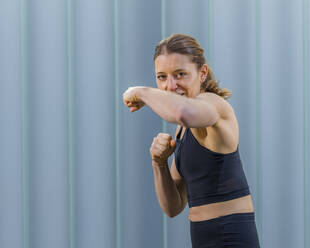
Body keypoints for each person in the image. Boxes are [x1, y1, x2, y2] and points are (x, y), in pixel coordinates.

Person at [123, 33, 260, 247]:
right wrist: (158, 163)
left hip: (230, 235)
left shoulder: (213, 106)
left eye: (180, 74)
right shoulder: (184, 129)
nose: (170, 85)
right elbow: (173, 206)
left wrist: (140, 92)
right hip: (202, 237)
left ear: (202, 73)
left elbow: (182, 112)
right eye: (161, 77)